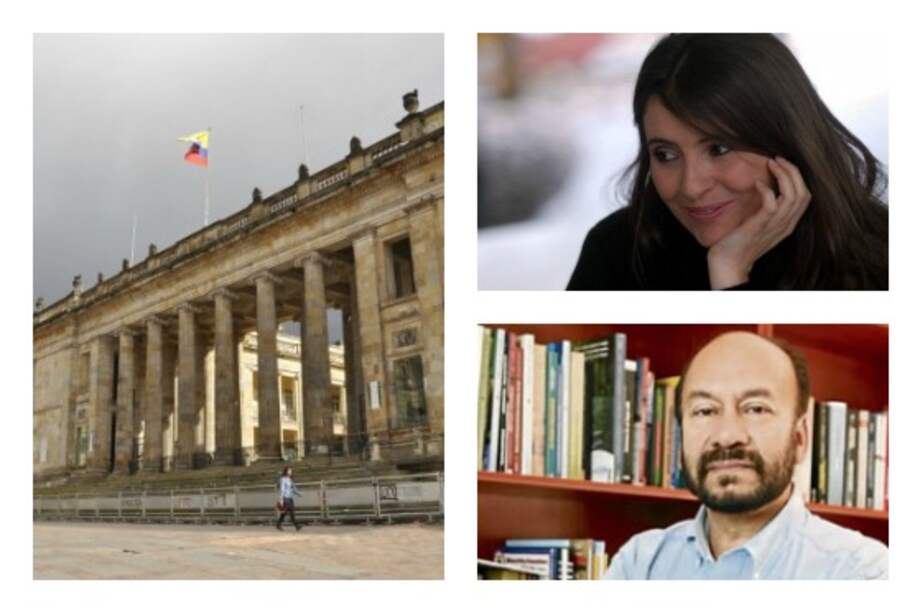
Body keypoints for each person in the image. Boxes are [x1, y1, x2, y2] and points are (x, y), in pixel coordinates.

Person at [567, 34, 888, 290]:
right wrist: (728, 263)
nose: (691, 187)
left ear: (786, 141)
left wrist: (730, 273)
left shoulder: (884, 256)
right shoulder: (615, 250)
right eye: (665, 155)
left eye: (719, 149)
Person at [605, 331, 888, 579]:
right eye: (705, 410)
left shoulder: (861, 572)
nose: (727, 435)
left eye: (756, 409)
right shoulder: (640, 564)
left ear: (799, 438)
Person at [276, 465, 303, 531]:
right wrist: (281, 499)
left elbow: (293, 488)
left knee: (285, 513)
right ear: (286, 471)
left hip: (290, 498)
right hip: (285, 498)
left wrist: (298, 493)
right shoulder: (283, 479)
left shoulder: (290, 480)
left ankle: (278, 524)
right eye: (289, 470)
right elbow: (282, 489)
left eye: (291, 470)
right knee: (290, 512)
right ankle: (297, 525)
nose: (291, 472)